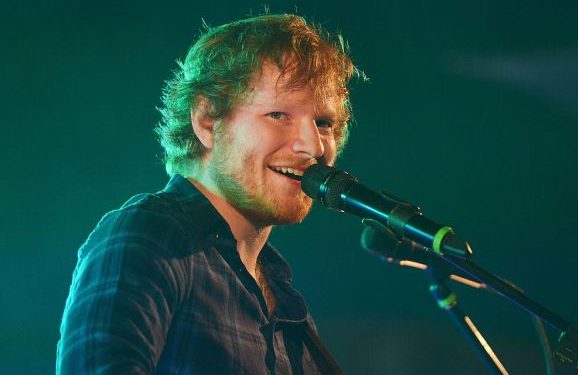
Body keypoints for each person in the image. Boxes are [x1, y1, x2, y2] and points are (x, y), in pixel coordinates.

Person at [57, 13, 359, 374]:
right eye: (278, 115)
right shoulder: (153, 235)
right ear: (206, 120)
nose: (313, 146)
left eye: (324, 123)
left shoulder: (287, 304)